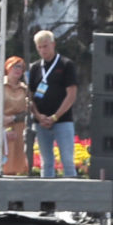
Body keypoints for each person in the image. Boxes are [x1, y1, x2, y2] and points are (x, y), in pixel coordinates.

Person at [28, 28, 77, 177]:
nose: (43, 50)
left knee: (67, 160)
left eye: (46, 46)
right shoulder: (36, 67)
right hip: (41, 121)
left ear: (53, 44)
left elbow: (71, 94)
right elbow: (29, 96)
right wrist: (37, 115)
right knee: (46, 161)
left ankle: (71, 196)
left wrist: (55, 116)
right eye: (40, 47)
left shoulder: (66, 64)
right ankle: (46, 198)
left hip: (63, 120)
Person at [0, 55, 33, 175]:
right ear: (7, 67)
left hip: (17, 127)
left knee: (14, 166)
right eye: (15, 66)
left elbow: (27, 109)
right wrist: (5, 124)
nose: (18, 70)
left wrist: (13, 119)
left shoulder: (24, 88)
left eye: (21, 67)